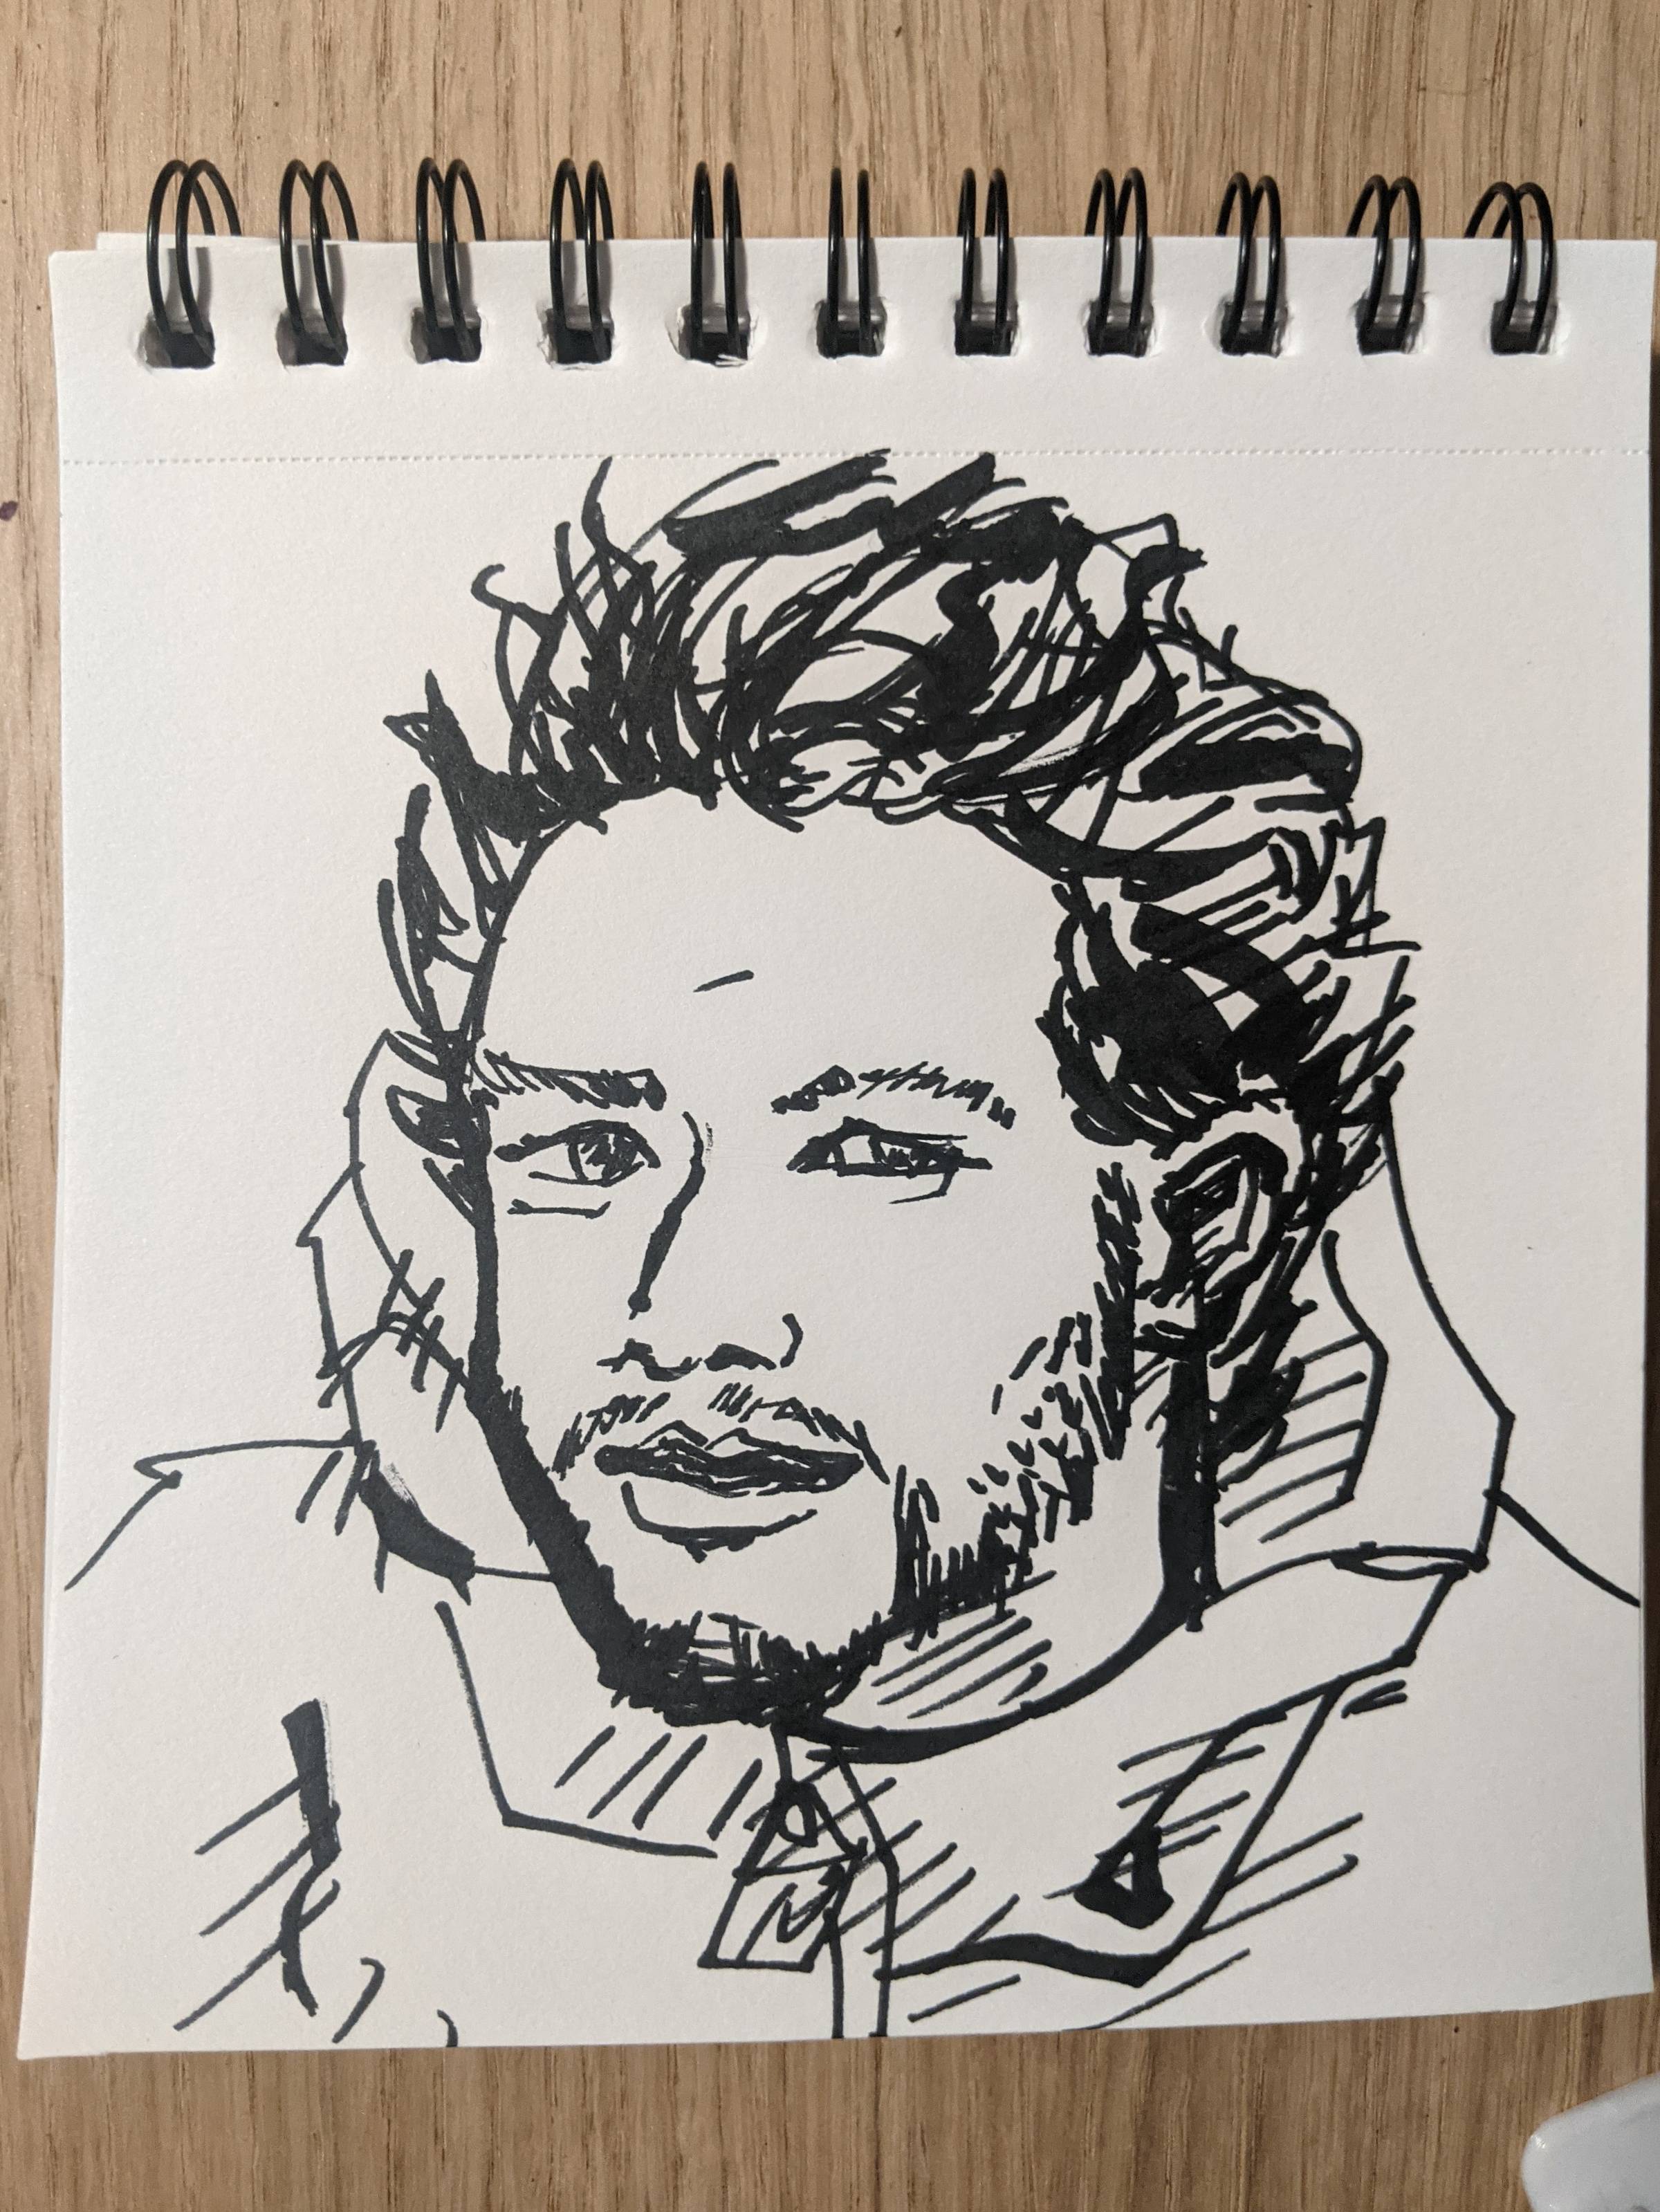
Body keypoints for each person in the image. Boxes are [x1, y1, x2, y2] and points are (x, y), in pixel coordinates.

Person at [46, 454, 1632, 2048]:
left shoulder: (1510, 1792)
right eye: (590, 1154)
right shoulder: (217, 1656)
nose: (684, 1315)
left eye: (876, 1155)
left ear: (1200, 1227)